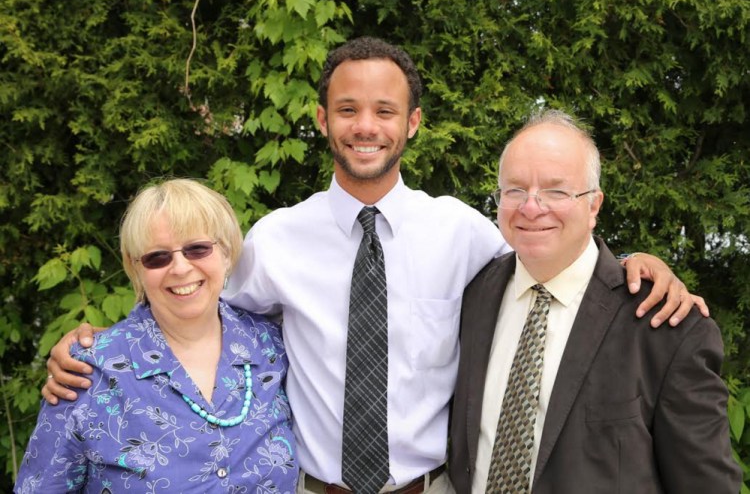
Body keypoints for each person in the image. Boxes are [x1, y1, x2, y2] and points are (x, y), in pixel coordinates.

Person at [42, 38, 704, 494]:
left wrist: (639, 266)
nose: (367, 126)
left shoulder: (463, 233)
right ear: (323, 119)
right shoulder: (274, 241)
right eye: (349, 110)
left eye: (385, 111)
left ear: (412, 123)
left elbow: (557, 255)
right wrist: (100, 346)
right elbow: (191, 301)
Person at [448, 109, 741, 493]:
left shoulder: (666, 326)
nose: (531, 207)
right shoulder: (471, 297)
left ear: (594, 206)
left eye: (556, 191)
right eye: (515, 189)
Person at [15, 179, 297, 493]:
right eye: (157, 257)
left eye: (197, 249)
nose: (180, 267)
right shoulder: (89, 374)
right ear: (136, 269)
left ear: (227, 253)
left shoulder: (271, 345)